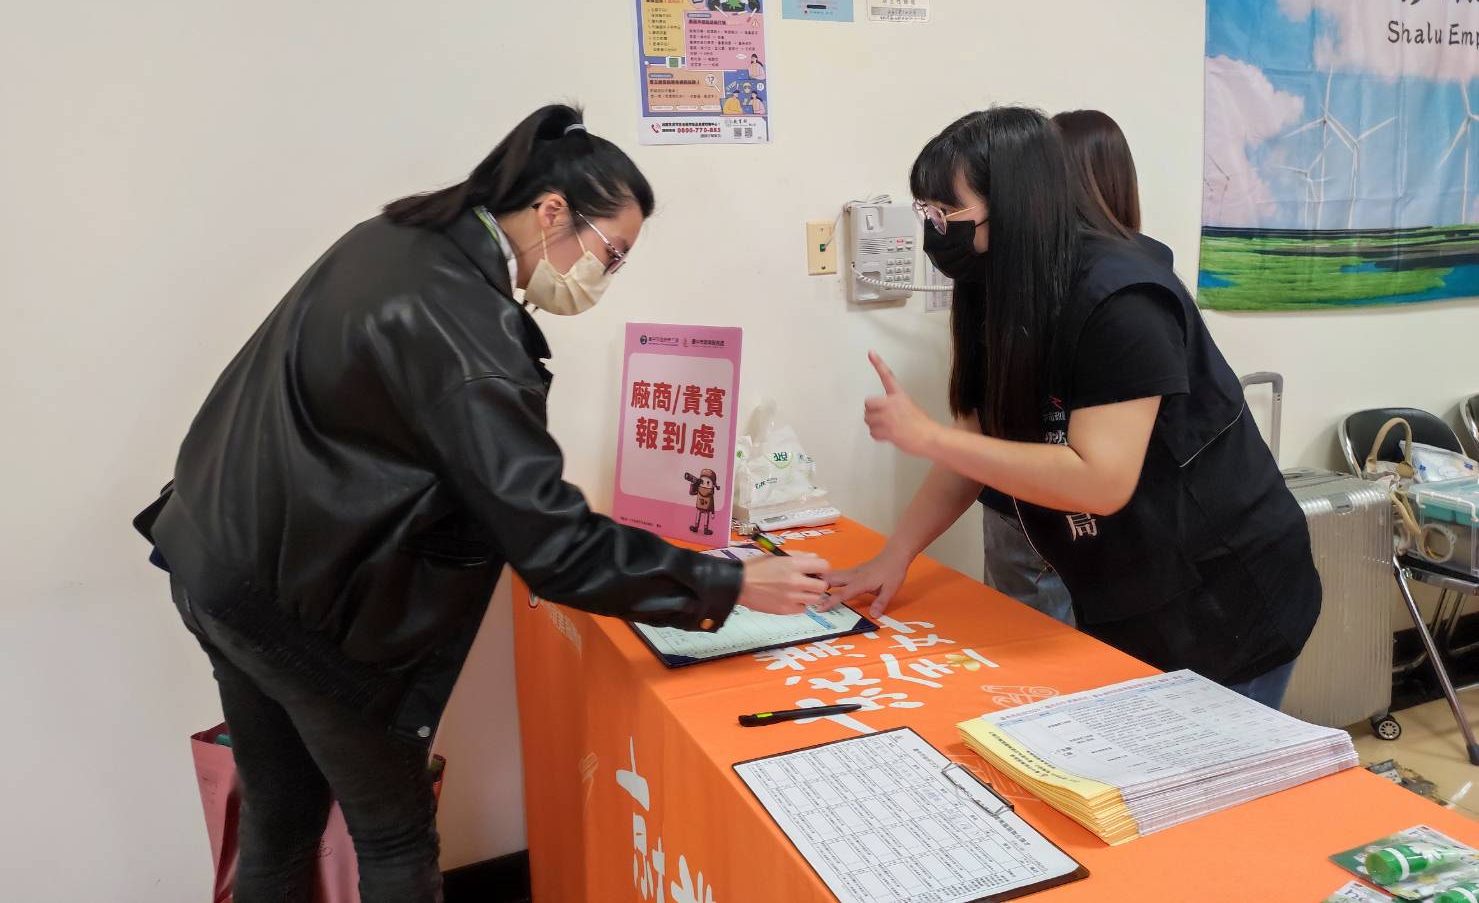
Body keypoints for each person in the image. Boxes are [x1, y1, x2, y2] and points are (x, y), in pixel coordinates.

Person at [133, 103, 826, 903]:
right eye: (612, 253)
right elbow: (552, 545)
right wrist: (729, 582)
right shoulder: (465, 326)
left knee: (281, 819)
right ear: (551, 211)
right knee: (393, 837)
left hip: (218, 559)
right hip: (302, 608)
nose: (606, 276)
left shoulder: (394, 241)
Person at [820, 106, 1321, 711]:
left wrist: (927, 437)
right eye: (927, 212)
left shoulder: (1121, 299)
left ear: (1017, 203)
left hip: (1220, 588)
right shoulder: (996, 282)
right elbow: (975, 438)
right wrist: (895, 554)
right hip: (1122, 577)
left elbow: (1100, 480)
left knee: (1206, 760)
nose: (936, 230)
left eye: (947, 212)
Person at [978, 109, 1170, 625]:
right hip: (1033, 501)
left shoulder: (1125, 289)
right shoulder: (1137, 267)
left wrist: (931, 440)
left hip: (1069, 500)